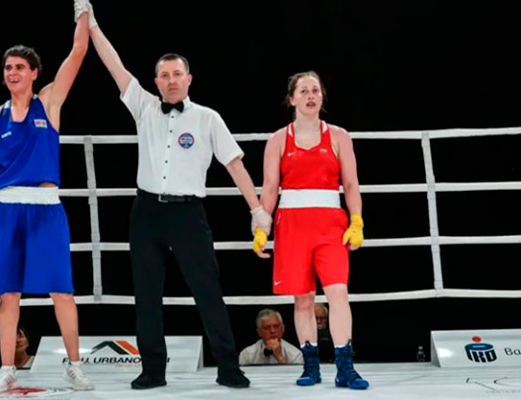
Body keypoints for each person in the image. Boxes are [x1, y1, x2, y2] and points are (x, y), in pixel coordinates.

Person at [84, 1, 272, 389]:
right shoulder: (143, 107)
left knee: (207, 291)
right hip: (146, 212)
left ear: (189, 79)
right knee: (146, 295)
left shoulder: (207, 117)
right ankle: (153, 370)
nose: (171, 80)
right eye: (164, 75)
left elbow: (235, 164)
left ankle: (228, 367)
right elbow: (114, 65)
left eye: (177, 74)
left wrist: (257, 210)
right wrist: (92, 24)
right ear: (156, 81)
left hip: (188, 214)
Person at [0, 1, 94, 392]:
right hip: (4, 209)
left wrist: (83, 10)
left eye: (19, 67)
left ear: (34, 73)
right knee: (8, 293)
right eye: (7, 68)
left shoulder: (51, 102)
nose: (12, 72)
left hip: (45, 209)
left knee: (62, 289)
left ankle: (75, 365)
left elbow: (79, 51)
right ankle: (6, 368)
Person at [254, 71, 369, 389]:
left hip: (330, 223)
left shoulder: (339, 136)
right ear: (291, 99)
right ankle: (311, 366)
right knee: (302, 299)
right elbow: (270, 188)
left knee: (338, 293)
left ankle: (346, 368)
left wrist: (357, 221)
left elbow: (351, 184)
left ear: (322, 97)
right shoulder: (278, 140)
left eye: (315, 90)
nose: (310, 96)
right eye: (303, 91)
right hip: (291, 225)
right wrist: (261, 229)